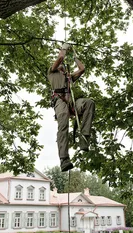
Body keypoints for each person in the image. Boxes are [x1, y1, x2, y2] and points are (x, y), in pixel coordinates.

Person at [48, 43, 95, 172]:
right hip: (60, 101)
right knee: (63, 123)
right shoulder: (52, 72)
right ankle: (64, 159)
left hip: (71, 103)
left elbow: (82, 69)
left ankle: (84, 138)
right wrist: (64, 48)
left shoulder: (68, 77)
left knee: (89, 103)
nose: (62, 66)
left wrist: (75, 57)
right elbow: (60, 59)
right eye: (61, 65)